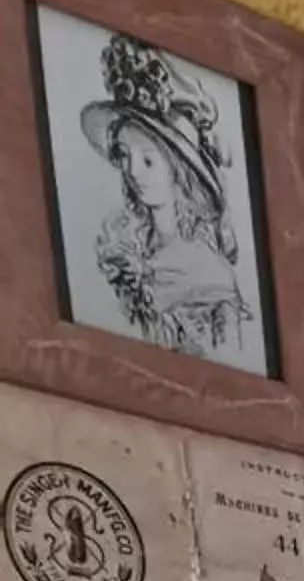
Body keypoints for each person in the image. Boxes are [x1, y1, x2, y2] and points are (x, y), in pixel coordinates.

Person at [77, 33, 256, 364]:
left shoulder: (212, 274)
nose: (133, 171)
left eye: (148, 159)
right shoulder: (120, 243)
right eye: (125, 155)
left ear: (177, 169)